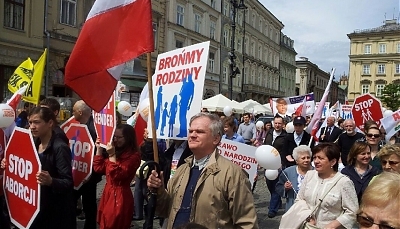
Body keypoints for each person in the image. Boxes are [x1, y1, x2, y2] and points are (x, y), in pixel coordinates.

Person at [147, 112, 258, 229]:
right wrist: (158, 191)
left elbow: (247, 223)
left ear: (216, 139)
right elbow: (165, 211)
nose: (192, 135)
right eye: (190, 131)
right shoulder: (182, 169)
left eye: (199, 132)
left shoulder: (233, 174)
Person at [1, 107, 76, 228]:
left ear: (50, 123)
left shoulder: (60, 147)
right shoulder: (33, 142)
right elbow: (23, 164)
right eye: (30, 122)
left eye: (37, 122)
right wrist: (9, 164)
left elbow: (68, 182)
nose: (32, 126)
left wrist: (51, 181)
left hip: (54, 214)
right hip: (36, 211)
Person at [295, 143, 359, 229]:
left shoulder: (344, 182)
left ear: (333, 162)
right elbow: (299, 200)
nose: (316, 161)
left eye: (321, 158)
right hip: (307, 226)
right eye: (315, 158)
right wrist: (307, 217)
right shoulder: (309, 176)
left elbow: (352, 212)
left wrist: (333, 225)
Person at [93, 124, 141, 229]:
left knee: (114, 224)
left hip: (120, 195)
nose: (115, 140)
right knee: (104, 223)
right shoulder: (118, 151)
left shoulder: (134, 156)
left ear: (128, 138)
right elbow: (98, 168)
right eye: (114, 136)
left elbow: (117, 175)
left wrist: (111, 155)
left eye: (119, 137)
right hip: (108, 192)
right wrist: (99, 149)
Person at [72, 100, 100, 229]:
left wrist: (91, 172)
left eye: (73, 111)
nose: (72, 114)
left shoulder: (93, 129)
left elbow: (97, 152)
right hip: (78, 172)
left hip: (89, 175)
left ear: (80, 112)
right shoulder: (79, 125)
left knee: (89, 203)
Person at [276, 145, 313, 212]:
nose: (306, 160)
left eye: (308, 157)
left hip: (311, 208)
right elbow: (279, 187)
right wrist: (285, 187)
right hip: (293, 207)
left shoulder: (316, 172)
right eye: (303, 158)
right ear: (296, 160)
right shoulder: (288, 172)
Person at [263, 115, 287, 218]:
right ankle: (277, 202)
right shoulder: (269, 132)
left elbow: (285, 150)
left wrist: (282, 162)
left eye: (279, 123)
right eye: (276, 123)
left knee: (276, 185)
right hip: (267, 163)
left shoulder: (286, 135)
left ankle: (272, 209)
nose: (277, 125)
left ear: (283, 124)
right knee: (269, 184)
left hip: (279, 164)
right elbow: (264, 147)